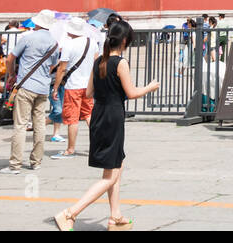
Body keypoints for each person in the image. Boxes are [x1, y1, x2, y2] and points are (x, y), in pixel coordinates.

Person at [55, 20, 160, 230]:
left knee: (115, 167)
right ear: (124, 41)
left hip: (99, 114)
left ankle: (115, 216)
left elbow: (88, 93)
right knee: (110, 176)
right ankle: (70, 213)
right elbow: (131, 93)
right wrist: (150, 87)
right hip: (113, 116)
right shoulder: (120, 63)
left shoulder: (99, 62)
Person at [0, 9, 59, 174]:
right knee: (39, 124)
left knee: (20, 125)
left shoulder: (28, 38)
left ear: (38, 22)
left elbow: (10, 58)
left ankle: (15, 164)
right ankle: (36, 161)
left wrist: (12, 74)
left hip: (26, 86)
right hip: (42, 88)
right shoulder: (54, 43)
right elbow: (54, 65)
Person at [51, 18, 97, 159]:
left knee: (72, 119)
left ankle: (70, 149)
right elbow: (95, 62)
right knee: (89, 115)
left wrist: (55, 87)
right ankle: (97, 147)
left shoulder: (69, 45)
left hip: (73, 86)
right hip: (88, 85)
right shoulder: (92, 42)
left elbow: (62, 68)